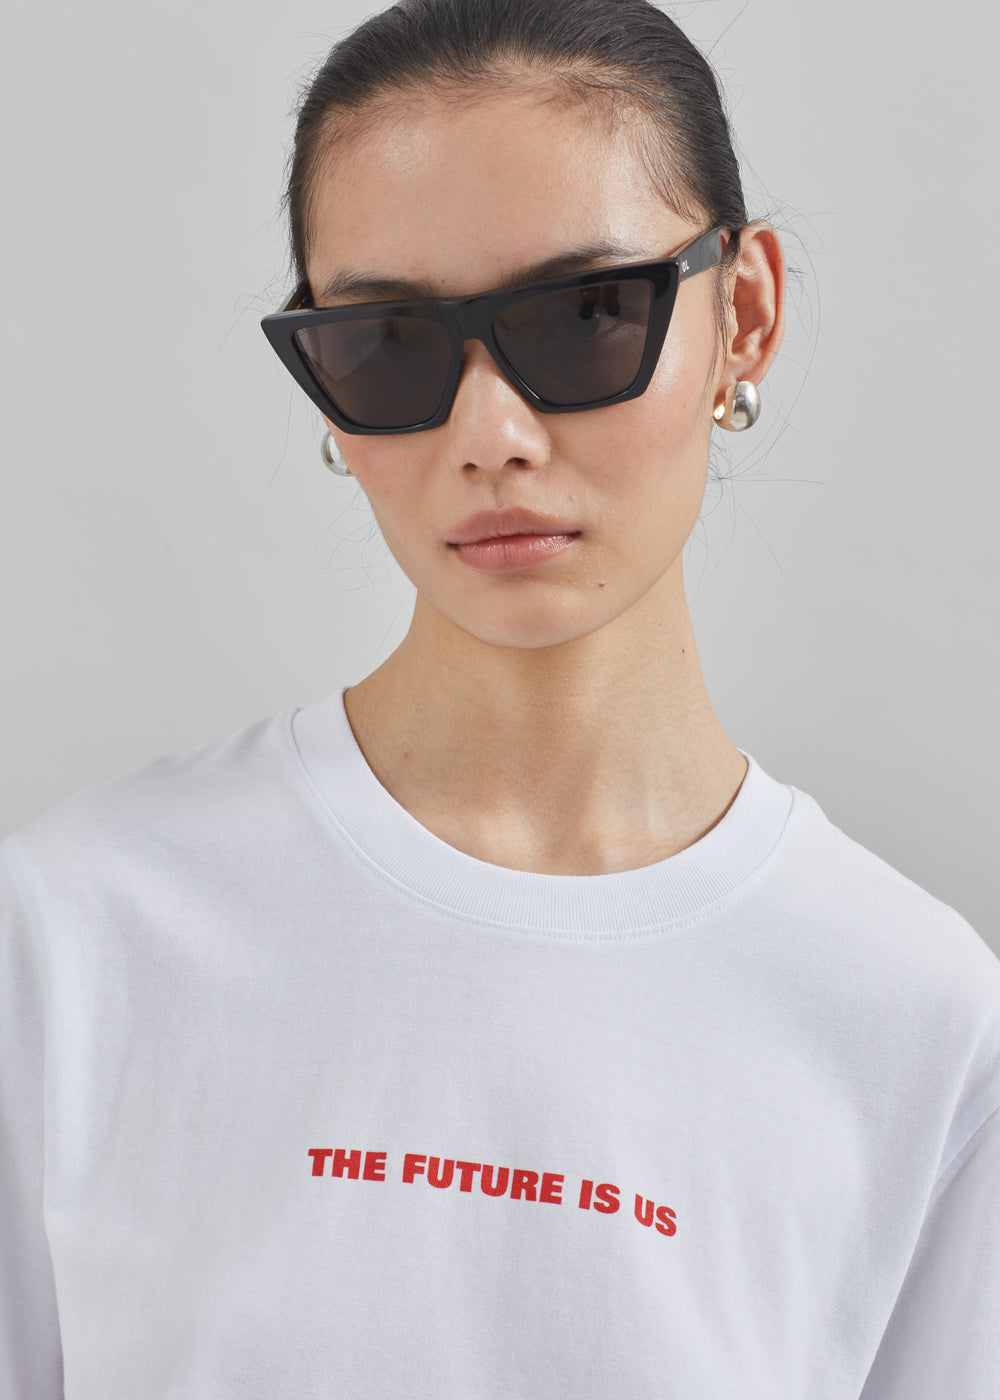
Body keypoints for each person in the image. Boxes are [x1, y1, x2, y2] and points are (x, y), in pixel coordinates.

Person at [2, 0, 998, 1395]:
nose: (491, 436)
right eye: (390, 341)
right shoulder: (71, 940)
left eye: (589, 315)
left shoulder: (916, 1021)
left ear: (746, 316)